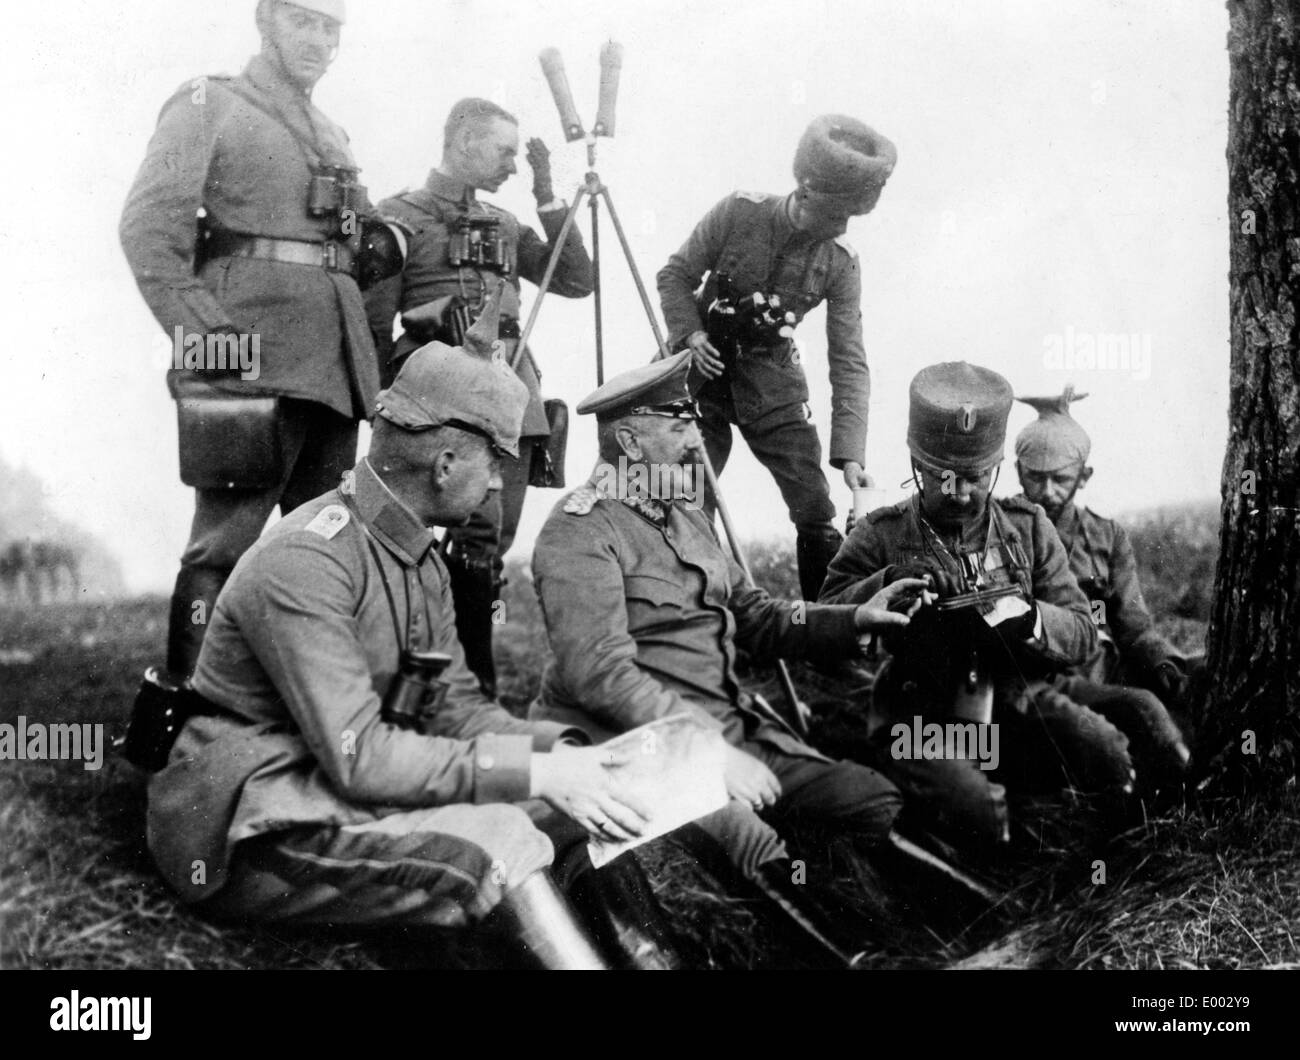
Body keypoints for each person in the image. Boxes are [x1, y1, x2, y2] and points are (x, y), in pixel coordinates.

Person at [145, 295, 679, 970]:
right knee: (499, 843)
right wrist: (538, 769)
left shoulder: (416, 554)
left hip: (339, 789)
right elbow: (360, 754)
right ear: (447, 461)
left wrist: (571, 755)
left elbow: (453, 707)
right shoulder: (306, 560)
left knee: (577, 811)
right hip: (256, 821)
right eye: (495, 464)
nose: (495, 486)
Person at [529, 352, 932, 966]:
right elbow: (598, 672)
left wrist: (853, 617)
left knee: (868, 799)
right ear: (631, 441)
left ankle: (925, 940)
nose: (697, 437)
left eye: (694, 418)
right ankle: (856, 960)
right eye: (680, 421)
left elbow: (758, 614)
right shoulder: (579, 531)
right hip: (637, 750)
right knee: (754, 844)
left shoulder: (688, 516)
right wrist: (710, 755)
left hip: (733, 731)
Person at [120, 0, 403, 694]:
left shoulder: (330, 132)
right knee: (222, 548)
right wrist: (220, 352)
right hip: (252, 368)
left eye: (332, 28)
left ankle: (314, 724)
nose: (320, 40)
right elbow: (149, 232)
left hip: (335, 374)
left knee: (330, 549)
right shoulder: (209, 103)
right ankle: (184, 732)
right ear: (266, 21)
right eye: (304, 22)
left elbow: (355, 254)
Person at [819, 362, 1138, 851]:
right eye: (942, 477)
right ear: (915, 463)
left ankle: (1104, 886)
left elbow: (1080, 632)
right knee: (981, 817)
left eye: (973, 478)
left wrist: (1028, 619)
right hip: (920, 716)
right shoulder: (880, 536)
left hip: (1012, 699)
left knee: (1107, 754)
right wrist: (884, 588)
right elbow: (824, 623)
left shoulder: (1027, 528)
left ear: (994, 469)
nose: (959, 493)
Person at [364, 98, 593, 697]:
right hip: (438, 400)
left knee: (492, 541)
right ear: (463, 142)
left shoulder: (507, 223)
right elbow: (374, 322)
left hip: (514, 394)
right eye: (505, 151)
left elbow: (576, 280)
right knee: (473, 533)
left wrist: (548, 196)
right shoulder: (398, 216)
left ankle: (456, 680)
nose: (514, 166)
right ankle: (472, 687)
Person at [657, 113, 897, 602]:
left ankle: (824, 628)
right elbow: (675, 275)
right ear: (804, 192)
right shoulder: (738, 212)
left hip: (771, 388)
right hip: (697, 384)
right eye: (833, 216)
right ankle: (697, 620)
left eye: (848, 219)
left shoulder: (840, 261)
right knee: (681, 496)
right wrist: (691, 336)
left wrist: (852, 458)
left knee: (815, 506)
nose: (839, 228)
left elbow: (849, 361)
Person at [1013, 387, 1193, 777]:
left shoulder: (1106, 536)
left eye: (1060, 479)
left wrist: (1164, 661)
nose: (1046, 492)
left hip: (1107, 669)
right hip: (1049, 679)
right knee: (1143, 709)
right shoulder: (1004, 530)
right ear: (1017, 473)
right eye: (1035, 477)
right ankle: (1185, 791)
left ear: (1084, 476)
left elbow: (1133, 624)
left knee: (1198, 681)